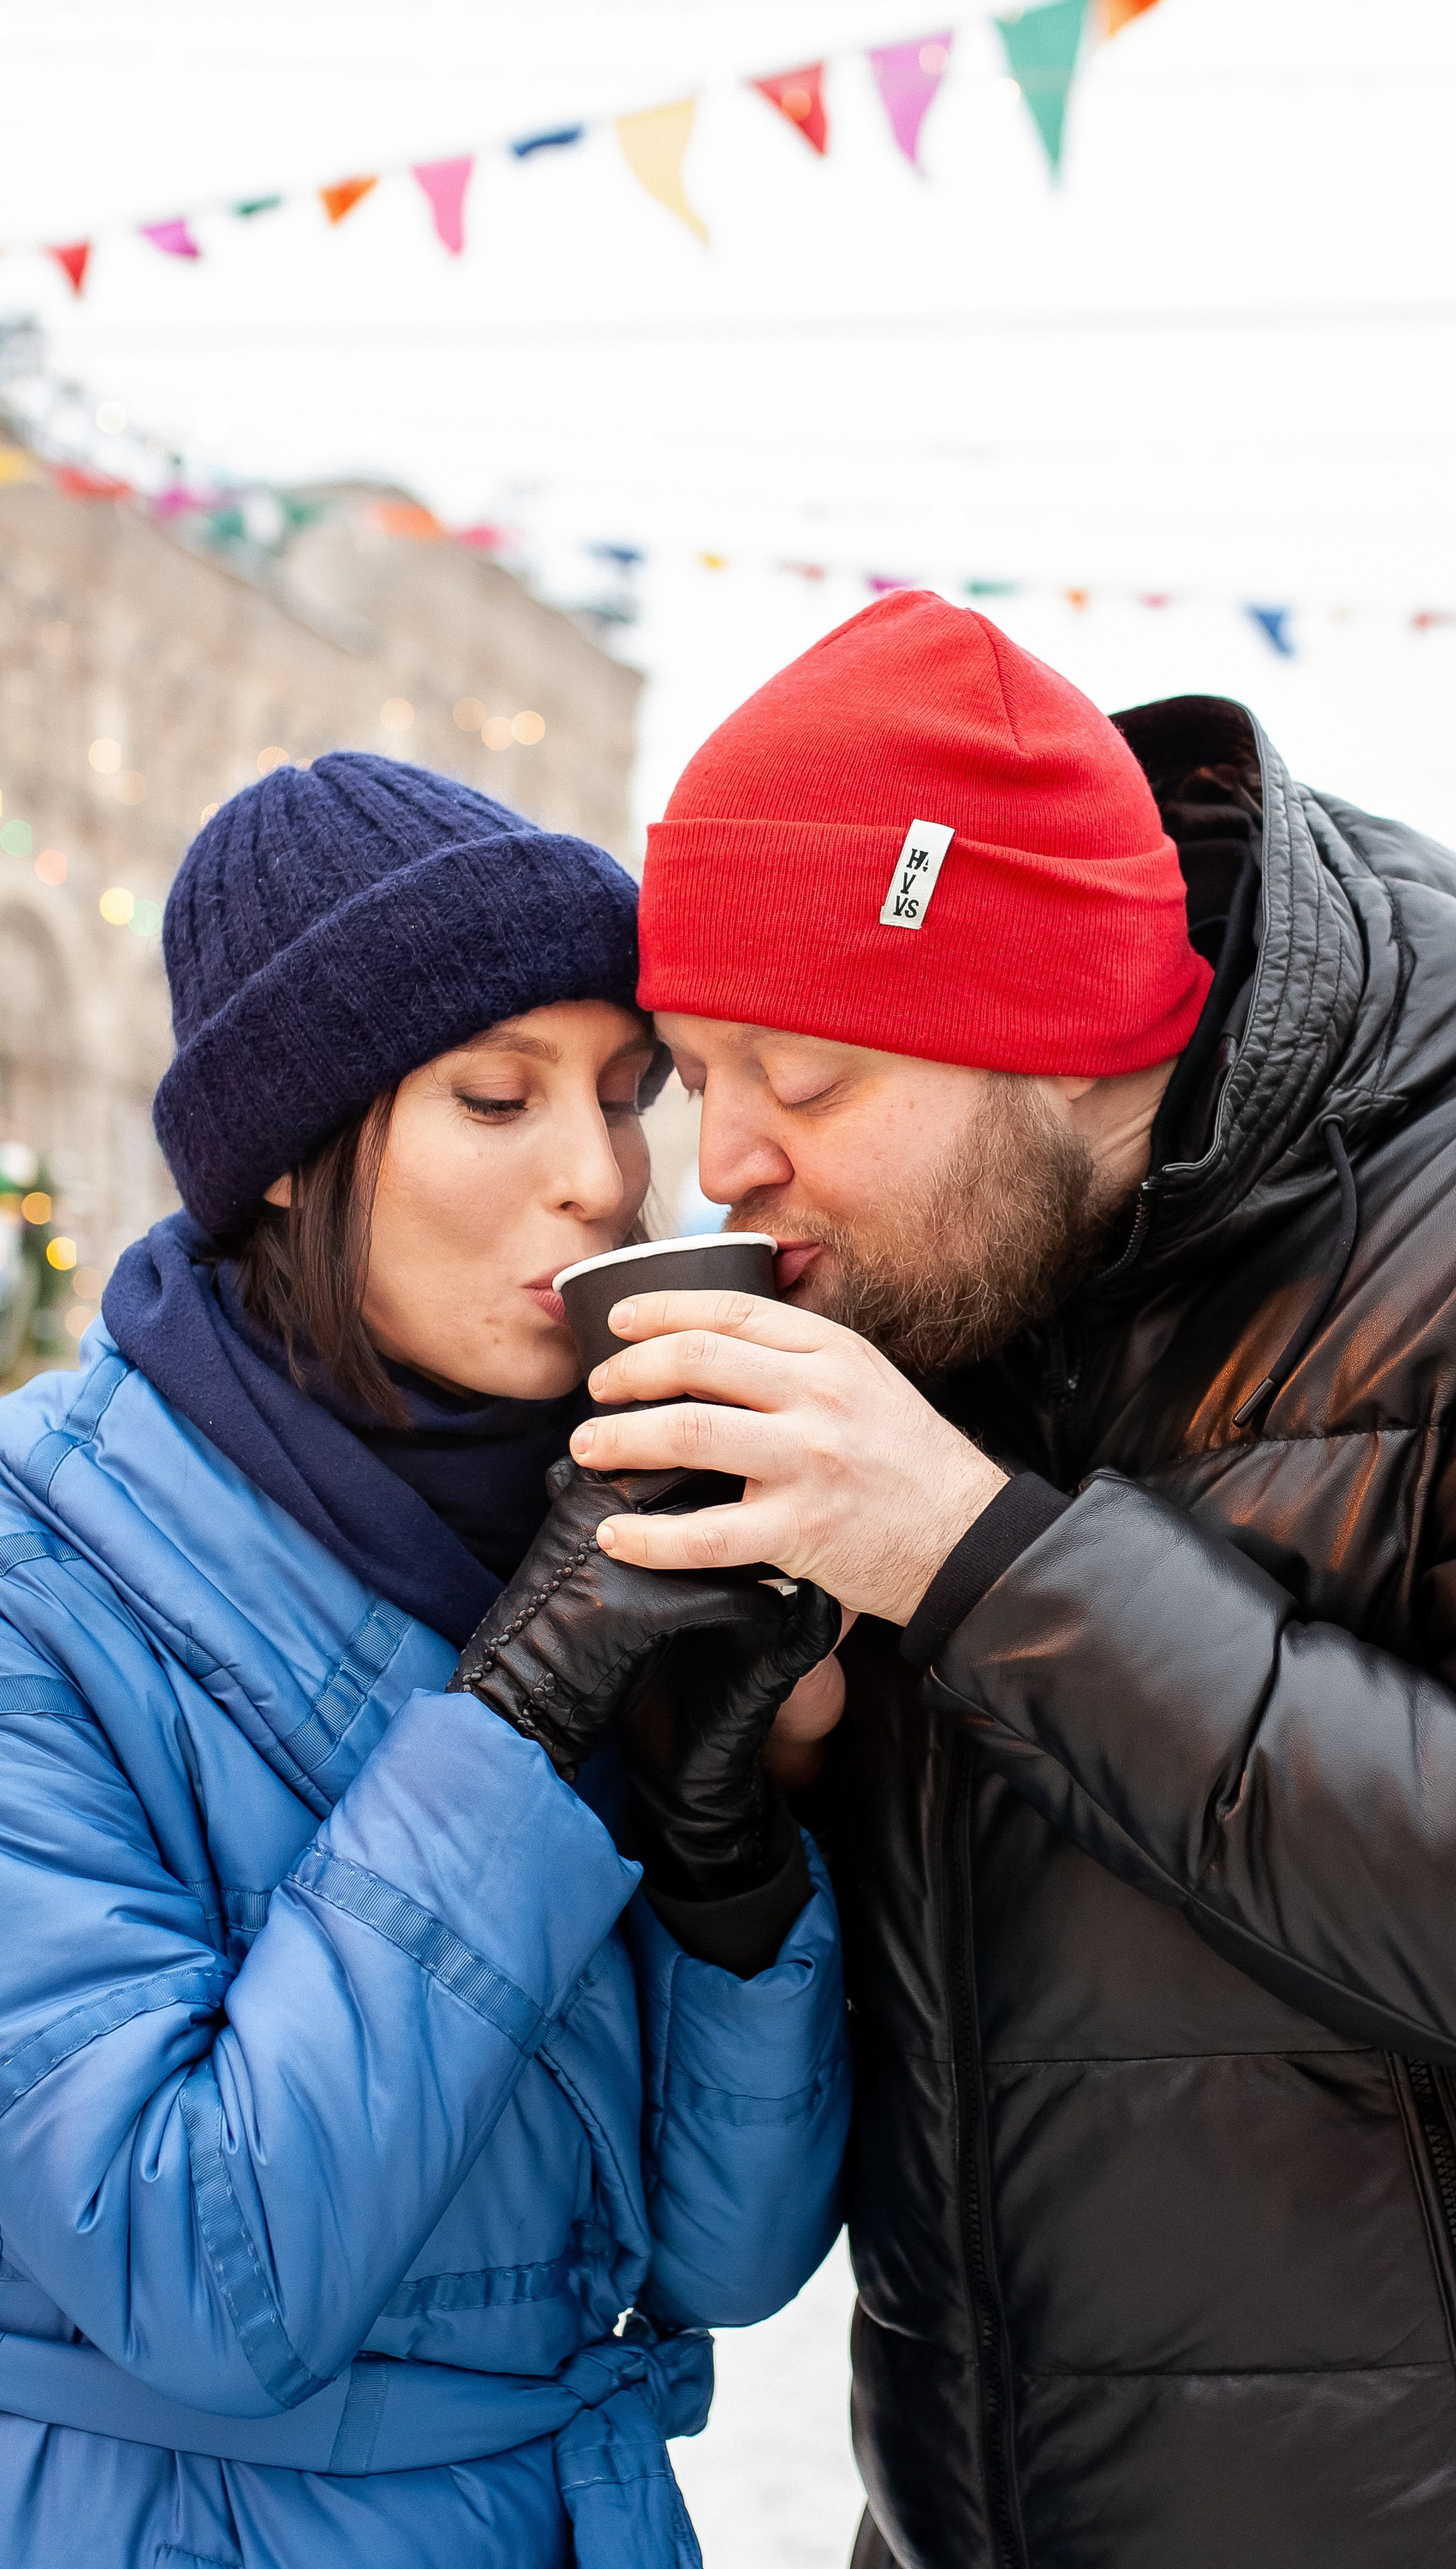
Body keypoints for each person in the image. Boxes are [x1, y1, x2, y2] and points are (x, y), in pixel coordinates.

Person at [555, 591, 1456, 2564]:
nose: (724, 1158)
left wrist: (974, 1560)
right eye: (694, 1070)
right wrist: (765, 1779)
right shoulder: (932, 1287)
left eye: (802, 1074)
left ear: (1055, 1029)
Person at [0, 753, 850, 2569]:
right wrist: (514, 1730)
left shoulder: (597, 1523)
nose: (604, 1177)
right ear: (292, 1165)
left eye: (628, 1096)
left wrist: (727, 1861)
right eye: (494, 1098)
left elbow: (726, 2263)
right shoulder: (36, 1576)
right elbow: (199, 2266)